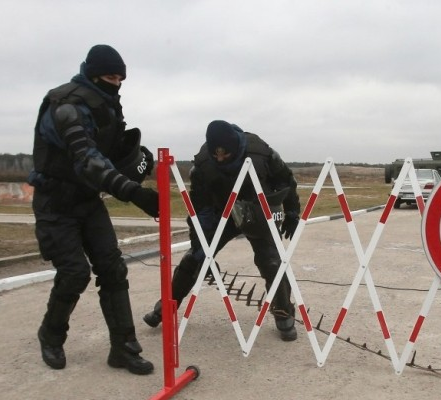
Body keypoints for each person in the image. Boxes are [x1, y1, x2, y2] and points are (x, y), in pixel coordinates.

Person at [29, 44, 159, 375]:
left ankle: (124, 348)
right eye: (109, 77)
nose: (115, 83)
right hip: (55, 202)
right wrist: (133, 193)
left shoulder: (108, 106)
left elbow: (111, 152)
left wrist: (137, 161)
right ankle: (51, 335)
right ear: (91, 73)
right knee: (74, 272)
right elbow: (87, 159)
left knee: (113, 269)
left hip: (87, 201)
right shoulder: (66, 107)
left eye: (120, 78)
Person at [142, 120, 301, 341]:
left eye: (224, 154)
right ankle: (166, 308)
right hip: (222, 214)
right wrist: (201, 246)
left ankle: (283, 312)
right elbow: (199, 210)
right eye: (215, 154)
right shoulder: (203, 164)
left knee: (272, 261)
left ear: (235, 147)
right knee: (194, 260)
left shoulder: (260, 152)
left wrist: (292, 212)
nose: (219, 158)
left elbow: (286, 181)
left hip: (257, 209)